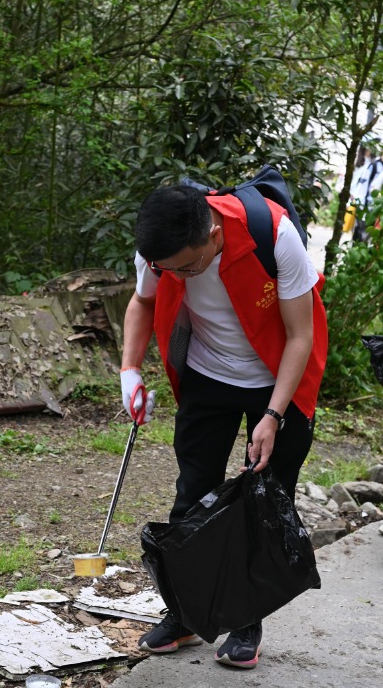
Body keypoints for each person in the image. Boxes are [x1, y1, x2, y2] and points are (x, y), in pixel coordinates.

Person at [120, 179, 328, 669]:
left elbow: (301, 335)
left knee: (264, 499)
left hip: (278, 377)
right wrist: (130, 369)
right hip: (208, 375)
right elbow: (143, 302)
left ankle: (246, 621)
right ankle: (186, 613)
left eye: (188, 268)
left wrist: (273, 415)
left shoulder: (274, 235)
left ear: (214, 236)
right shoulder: (160, 252)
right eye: (168, 270)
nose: (178, 277)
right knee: (193, 494)